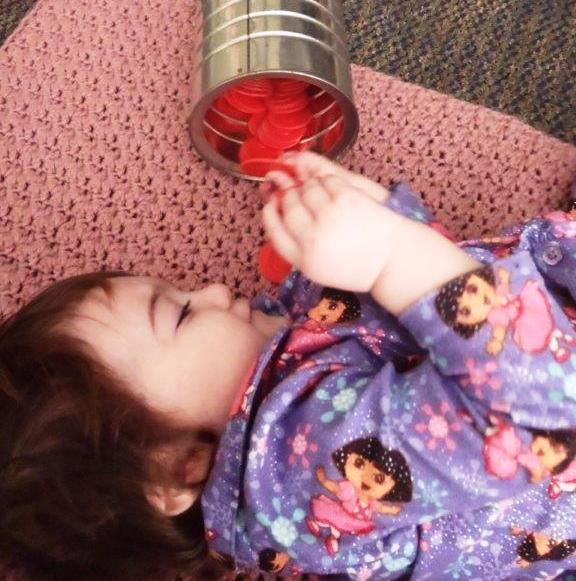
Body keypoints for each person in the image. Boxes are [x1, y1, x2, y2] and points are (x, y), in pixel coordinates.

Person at [1, 151, 576, 580]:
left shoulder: (266, 350)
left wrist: (373, 216)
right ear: (178, 467)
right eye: (178, 315)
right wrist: (392, 252)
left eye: (178, 288)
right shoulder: (301, 474)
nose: (210, 289)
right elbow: (540, 419)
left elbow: (412, 308)